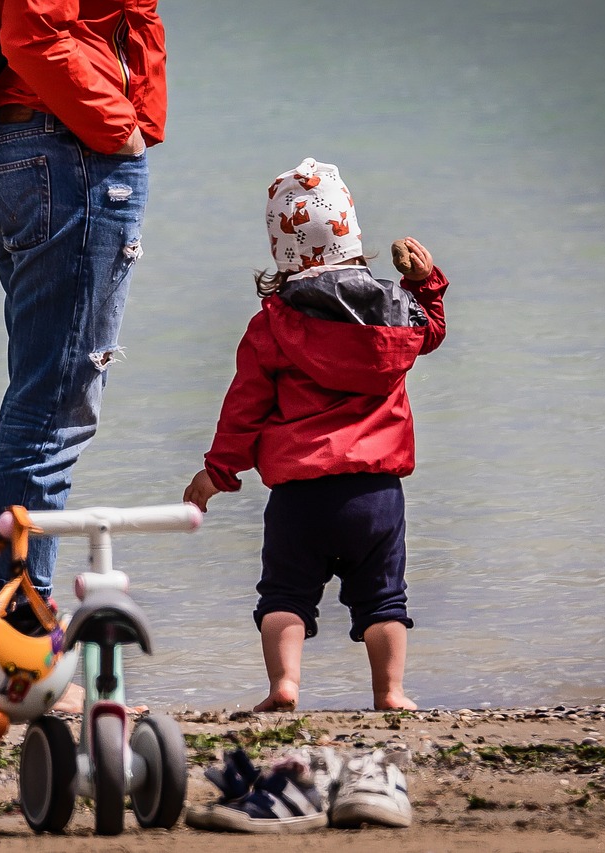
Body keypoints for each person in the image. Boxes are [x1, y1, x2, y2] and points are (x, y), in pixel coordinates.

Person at [183, 157, 449, 713]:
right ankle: (391, 693)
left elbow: (244, 409)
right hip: (374, 497)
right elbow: (429, 335)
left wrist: (218, 472)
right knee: (382, 601)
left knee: (284, 597)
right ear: (352, 237)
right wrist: (425, 286)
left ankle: (284, 686)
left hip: (300, 496)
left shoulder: (271, 326)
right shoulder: (395, 314)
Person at [0, 1, 167, 618]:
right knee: (51, 416)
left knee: (40, 407)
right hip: (66, 148)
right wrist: (117, 128)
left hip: (26, 144)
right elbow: (33, 34)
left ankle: (4, 631)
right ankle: (17, 640)